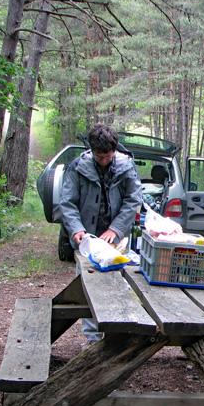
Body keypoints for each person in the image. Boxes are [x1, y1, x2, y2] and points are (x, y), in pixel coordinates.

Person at [59, 124, 143, 344]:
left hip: (117, 239)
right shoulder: (77, 167)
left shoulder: (127, 166)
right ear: (91, 150)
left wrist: (115, 229)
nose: (103, 160)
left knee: (120, 286)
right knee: (88, 288)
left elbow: (133, 199)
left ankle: (115, 335)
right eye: (99, 156)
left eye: (107, 156)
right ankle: (93, 340)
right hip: (87, 239)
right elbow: (67, 203)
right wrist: (76, 229)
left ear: (114, 150)